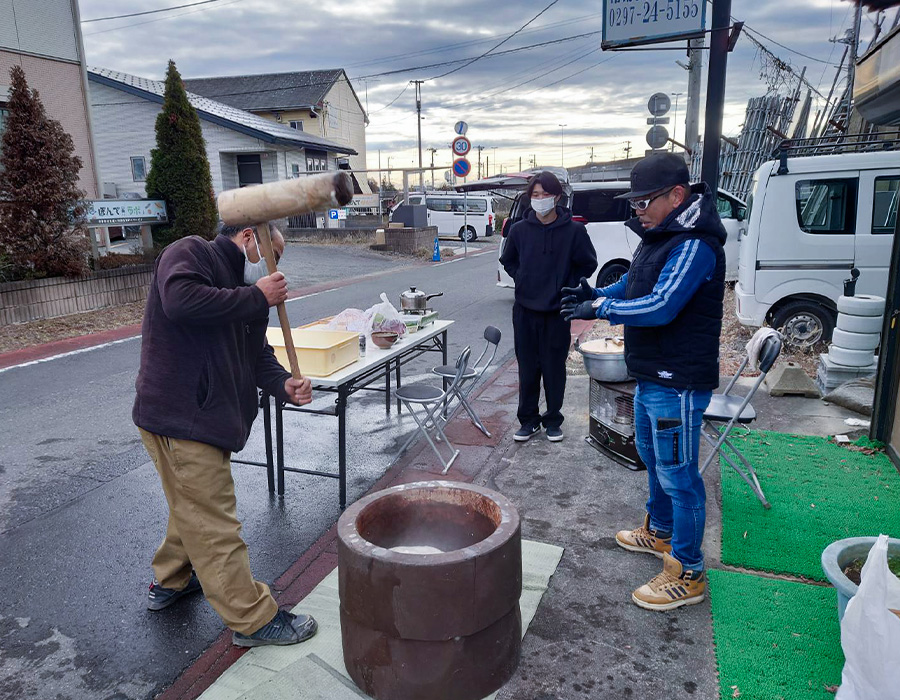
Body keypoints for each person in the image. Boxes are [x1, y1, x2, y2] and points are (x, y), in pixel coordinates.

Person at [134, 222, 318, 647]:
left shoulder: (247, 292)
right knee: (214, 522)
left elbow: (256, 354)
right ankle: (252, 619)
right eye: (275, 256)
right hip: (181, 418)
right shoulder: (191, 252)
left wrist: (283, 384)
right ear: (249, 236)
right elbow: (179, 301)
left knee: (192, 503)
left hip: (205, 419)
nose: (277, 269)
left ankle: (172, 581)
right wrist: (257, 296)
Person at [561, 152, 726, 611]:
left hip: (679, 380)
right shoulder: (660, 234)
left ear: (677, 195)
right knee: (654, 459)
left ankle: (689, 571)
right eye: (633, 204)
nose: (638, 211)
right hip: (652, 373)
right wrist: (597, 292)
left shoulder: (695, 243)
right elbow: (635, 283)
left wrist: (601, 310)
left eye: (643, 202)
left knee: (680, 477)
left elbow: (661, 305)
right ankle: (659, 531)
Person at [500, 171, 597, 443]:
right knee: (528, 368)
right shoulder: (519, 230)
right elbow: (508, 261)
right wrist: (522, 277)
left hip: (557, 312)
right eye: (535, 195)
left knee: (554, 368)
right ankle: (528, 420)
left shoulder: (574, 231)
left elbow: (588, 263)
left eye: (545, 194)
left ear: (557, 197)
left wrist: (567, 285)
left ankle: (553, 420)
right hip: (525, 311)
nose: (540, 199)